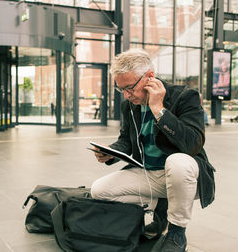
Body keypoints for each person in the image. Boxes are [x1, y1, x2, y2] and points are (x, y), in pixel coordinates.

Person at [90, 49, 216, 252]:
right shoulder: (129, 106)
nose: (126, 95)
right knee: (99, 190)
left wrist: (159, 110)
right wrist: (110, 152)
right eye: (121, 89)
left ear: (149, 77)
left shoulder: (184, 96)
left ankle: (176, 233)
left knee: (177, 163)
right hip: (148, 174)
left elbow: (193, 144)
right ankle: (160, 207)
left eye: (129, 88)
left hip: (182, 175)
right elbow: (126, 141)